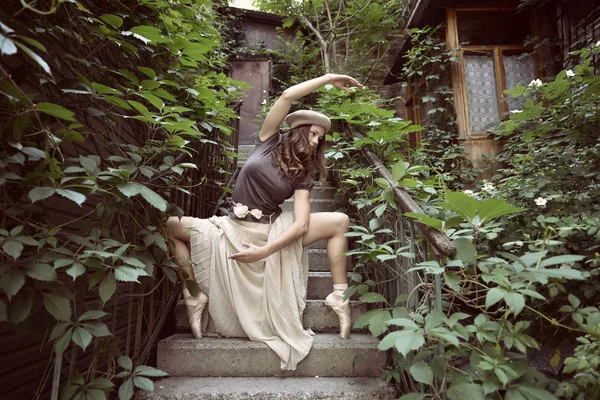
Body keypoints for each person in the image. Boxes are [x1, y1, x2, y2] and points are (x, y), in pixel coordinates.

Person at [166, 73, 364, 371]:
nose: (315, 141)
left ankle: (339, 296)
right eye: (312, 133)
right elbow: (286, 97)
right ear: (296, 131)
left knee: (340, 220)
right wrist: (328, 78)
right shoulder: (267, 142)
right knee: (170, 226)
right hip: (231, 227)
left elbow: (299, 224)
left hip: (271, 232)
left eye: (319, 138)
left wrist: (265, 251)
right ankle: (194, 295)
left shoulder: (304, 174)